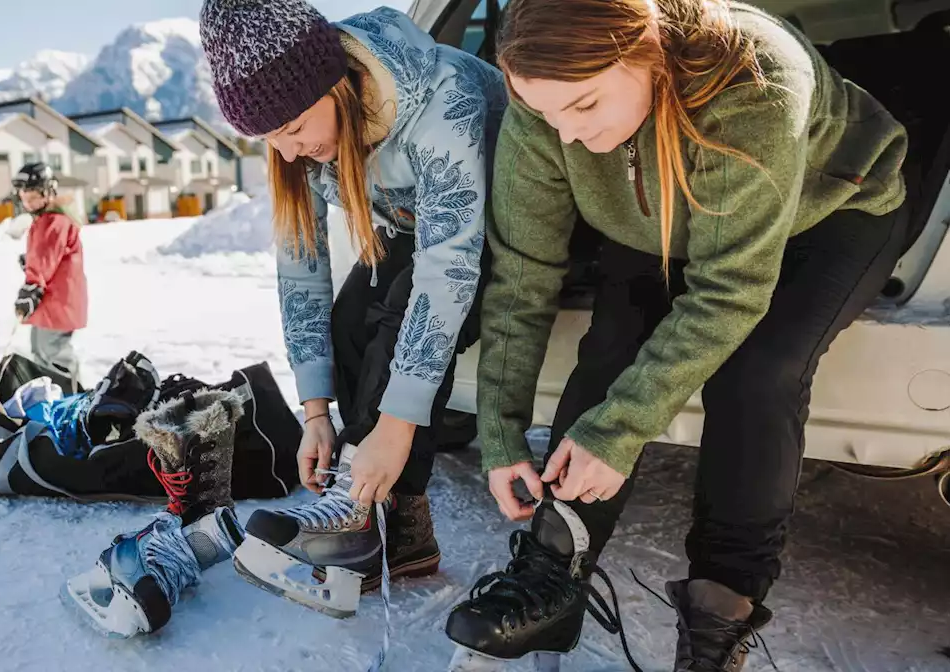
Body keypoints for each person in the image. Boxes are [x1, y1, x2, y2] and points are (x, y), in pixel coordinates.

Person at [443, 0, 911, 669]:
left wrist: (618, 432)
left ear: (647, 53)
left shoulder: (756, 79)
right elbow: (523, 274)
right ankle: (550, 573)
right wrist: (500, 430)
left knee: (759, 372)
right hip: (665, 213)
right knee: (612, 344)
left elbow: (730, 290)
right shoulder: (549, 109)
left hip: (830, 207)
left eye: (584, 107)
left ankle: (721, 614)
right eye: (545, 114)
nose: (565, 136)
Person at [198, 0, 509, 613]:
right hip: (412, 232)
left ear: (333, 85)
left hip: (495, 231)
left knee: (400, 320)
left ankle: (359, 516)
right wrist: (315, 412)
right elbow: (301, 271)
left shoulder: (441, 97)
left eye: (291, 130)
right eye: (270, 140)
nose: (286, 153)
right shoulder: (302, 139)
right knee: (346, 323)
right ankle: (400, 530)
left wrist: (394, 431)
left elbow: (447, 268)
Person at [12, 163, 88, 385]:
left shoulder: (53, 221)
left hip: (59, 302)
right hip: (52, 302)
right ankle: (54, 400)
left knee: (53, 353)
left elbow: (45, 259)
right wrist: (31, 264)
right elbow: (48, 258)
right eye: (25, 197)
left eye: (34, 197)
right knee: (40, 352)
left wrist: (32, 286)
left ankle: (74, 399)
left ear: (48, 193)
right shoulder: (47, 220)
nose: (29, 203)